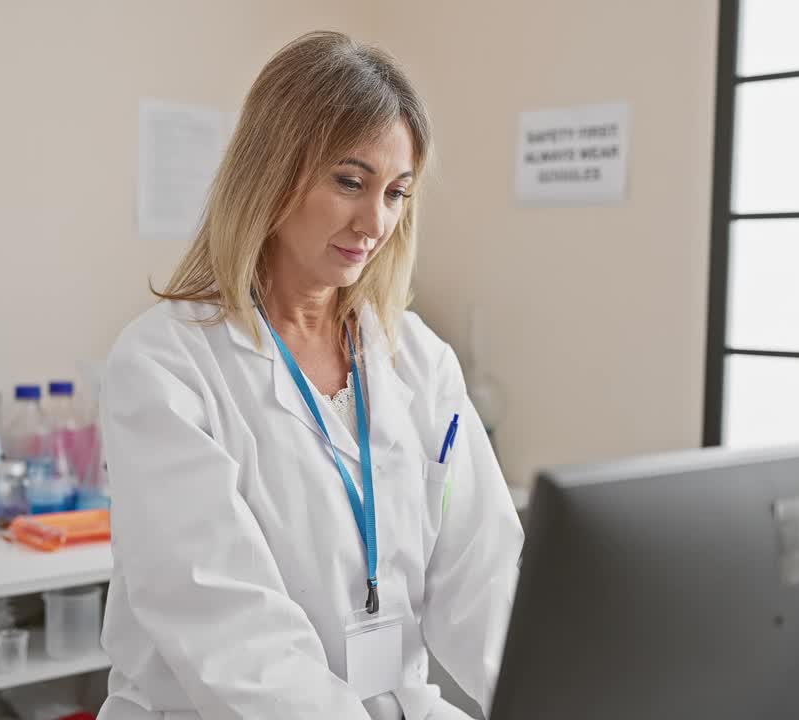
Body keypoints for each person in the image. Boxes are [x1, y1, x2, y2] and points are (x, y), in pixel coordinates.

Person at [98, 31, 524, 720]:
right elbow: (235, 640)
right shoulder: (166, 366)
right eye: (349, 181)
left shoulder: (416, 359)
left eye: (397, 193)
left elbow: (485, 579)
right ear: (273, 169)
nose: (375, 221)